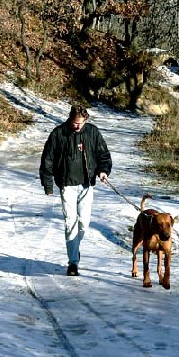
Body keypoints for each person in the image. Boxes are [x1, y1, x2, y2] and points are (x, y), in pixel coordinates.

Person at [39, 104, 112, 276]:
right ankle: (73, 262)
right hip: (67, 185)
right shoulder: (59, 134)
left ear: (85, 120)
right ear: (70, 119)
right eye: (75, 123)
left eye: (81, 123)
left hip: (87, 185)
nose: (78, 126)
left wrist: (103, 170)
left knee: (84, 223)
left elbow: (104, 155)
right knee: (70, 222)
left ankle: (75, 248)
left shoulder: (92, 132)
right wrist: (48, 184)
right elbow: (47, 159)